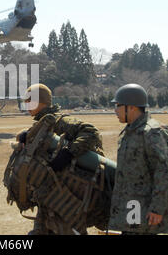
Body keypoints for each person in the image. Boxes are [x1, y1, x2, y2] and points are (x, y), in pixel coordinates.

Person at [17, 83, 105, 235]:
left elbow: (91, 132)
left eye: (29, 101)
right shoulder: (44, 123)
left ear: (40, 102)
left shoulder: (58, 121)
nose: (26, 105)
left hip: (65, 197)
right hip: (50, 195)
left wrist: (68, 153)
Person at [109, 83, 168, 235]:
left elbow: (166, 172)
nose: (115, 110)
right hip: (133, 208)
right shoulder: (131, 132)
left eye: (118, 105)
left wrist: (157, 208)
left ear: (132, 107)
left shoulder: (153, 132)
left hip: (148, 212)